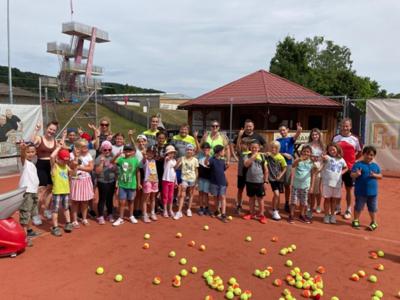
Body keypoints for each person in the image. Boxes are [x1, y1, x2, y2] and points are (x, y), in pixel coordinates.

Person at [31, 121, 62, 224]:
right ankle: (36, 215)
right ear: (46, 128)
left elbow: (60, 150)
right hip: (41, 167)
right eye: (50, 129)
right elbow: (32, 143)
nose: (51, 131)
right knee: (40, 192)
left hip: (52, 167)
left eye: (54, 130)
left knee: (50, 190)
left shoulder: (55, 141)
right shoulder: (40, 138)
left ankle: (47, 210)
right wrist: (36, 129)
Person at [333, 118, 361, 219]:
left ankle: (348, 209)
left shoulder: (355, 139)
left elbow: (359, 151)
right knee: (337, 189)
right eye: (343, 126)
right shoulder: (336, 138)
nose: (345, 128)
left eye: (347, 126)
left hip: (350, 169)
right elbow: (332, 151)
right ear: (340, 126)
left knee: (349, 190)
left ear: (350, 127)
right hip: (337, 168)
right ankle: (337, 207)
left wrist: (352, 162)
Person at [351, 146, 382, 231]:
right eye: (367, 154)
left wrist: (375, 175)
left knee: (373, 208)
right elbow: (352, 175)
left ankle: (374, 222)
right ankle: (356, 220)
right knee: (358, 207)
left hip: (373, 193)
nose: (369, 156)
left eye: (371, 155)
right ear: (363, 154)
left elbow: (380, 176)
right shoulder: (358, 164)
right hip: (360, 192)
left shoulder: (375, 166)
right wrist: (357, 174)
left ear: (374, 156)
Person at [112, 144, 141, 226]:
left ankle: (131, 216)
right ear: (123, 151)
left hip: (132, 184)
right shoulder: (121, 159)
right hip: (122, 185)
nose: (128, 152)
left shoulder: (135, 160)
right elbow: (112, 162)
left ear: (133, 152)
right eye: (126, 150)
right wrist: (116, 156)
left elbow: (138, 172)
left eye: (130, 150)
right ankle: (121, 218)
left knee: (131, 201)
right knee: (122, 202)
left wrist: (139, 183)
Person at [276, 122, 302, 213]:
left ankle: (287, 203)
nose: (282, 132)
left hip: (288, 165)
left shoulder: (290, 139)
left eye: (283, 130)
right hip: (278, 165)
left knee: (287, 185)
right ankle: (277, 204)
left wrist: (299, 130)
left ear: (287, 130)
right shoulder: (278, 140)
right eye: (280, 130)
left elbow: (297, 135)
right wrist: (282, 154)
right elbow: (274, 151)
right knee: (278, 185)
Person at [18, 142, 40, 246]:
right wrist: (22, 149)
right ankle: (24, 237)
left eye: (32, 152)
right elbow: (22, 156)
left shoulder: (32, 163)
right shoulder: (24, 162)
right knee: (25, 214)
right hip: (27, 192)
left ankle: (29, 231)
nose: (30, 154)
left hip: (33, 192)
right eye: (28, 152)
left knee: (30, 213)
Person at [69, 139, 94, 228]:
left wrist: (79, 167)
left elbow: (91, 168)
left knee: (85, 201)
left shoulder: (88, 155)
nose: (86, 149)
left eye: (87, 147)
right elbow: (72, 166)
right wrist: (76, 157)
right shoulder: (71, 155)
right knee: (75, 201)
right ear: (78, 147)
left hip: (86, 180)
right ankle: (75, 220)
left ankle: (84, 218)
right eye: (84, 147)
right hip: (75, 180)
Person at [49, 144, 73, 237]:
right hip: (57, 192)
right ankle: (55, 227)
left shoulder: (66, 166)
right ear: (58, 159)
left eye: (66, 161)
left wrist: (76, 164)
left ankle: (68, 223)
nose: (65, 162)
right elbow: (51, 156)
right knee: (55, 210)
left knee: (66, 208)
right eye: (63, 160)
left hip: (66, 191)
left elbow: (72, 173)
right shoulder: (55, 166)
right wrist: (58, 147)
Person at [320, 143, 348, 224]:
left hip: (337, 183)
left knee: (334, 200)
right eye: (330, 150)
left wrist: (341, 173)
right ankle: (326, 215)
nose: (332, 151)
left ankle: (332, 215)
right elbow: (323, 158)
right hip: (327, 183)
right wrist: (323, 157)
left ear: (337, 150)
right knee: (327, 199)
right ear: (328, 151)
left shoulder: (341, 160)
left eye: (334, 149)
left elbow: (346, 167)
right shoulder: (327, 157)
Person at [288, 144, 315, 224]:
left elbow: (313, 174)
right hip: (296, 185)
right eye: (304, 152)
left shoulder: (311, 162)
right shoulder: (298, 160)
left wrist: (312, 186)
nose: (306, 153)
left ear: (310, 153)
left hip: (305, 186)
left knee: (303, 202)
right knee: (293, 202)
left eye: (308, 152)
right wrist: (299, 159)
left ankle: (302, 215)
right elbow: (293, 165)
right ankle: (291, 215)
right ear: (301, 152)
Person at [242, 141, 268, 224]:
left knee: (260, 199)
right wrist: (254, 156)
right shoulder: (247, 155)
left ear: (259, 148)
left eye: (256, 147)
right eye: (252, 147)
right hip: (249, 180)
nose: (254, 149)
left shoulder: (263, 157)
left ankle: (262, 215)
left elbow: (266, 170)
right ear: (250, 148)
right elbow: (246, 164)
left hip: (259, 181)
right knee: (251, 198)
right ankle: (252, 213)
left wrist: (265, 181)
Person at [174, 144, 199, 220]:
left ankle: (189, 209)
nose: (189, 151)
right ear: (185, 151)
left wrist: (196, 181)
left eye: (191, 150)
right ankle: (179, 211)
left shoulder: (195, 160)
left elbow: (196, 171)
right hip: (184, 179)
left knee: (191, 194)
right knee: (182, 195)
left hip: (192, 179)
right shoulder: (182, 158)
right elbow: (175, 168)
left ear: (193, 151)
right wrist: (178, 163)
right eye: (188, 149)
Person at [94, 141, 117, 224]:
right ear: (102, 150)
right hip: (102, 181)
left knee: (110, 199)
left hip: (111, 181)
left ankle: (109, 214)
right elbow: (97, 171)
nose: (107, 151)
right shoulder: (98, 158)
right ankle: (100, 216)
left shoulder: (112, 157)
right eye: (105, 149)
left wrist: (112, 164)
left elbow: (115, 170)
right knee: (102, 199)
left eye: (109, 149)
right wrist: (101, 163)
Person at [205, 145, 228, 223]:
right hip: (214, 182)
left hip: (222, 182)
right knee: (216, 197)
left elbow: (223, 171)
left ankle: (223, 214)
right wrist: (207, 157)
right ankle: (217, 211)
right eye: (223, 151)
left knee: (222, 197)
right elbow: (206, 163)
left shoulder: (223, 160)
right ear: (219, 152)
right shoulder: (212, 160)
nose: (224, 152)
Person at [265, 141, 287, 221]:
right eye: (272, 147)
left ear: (279, 149)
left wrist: (280, 175)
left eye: (276, 148)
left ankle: (275, 209)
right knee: (276, 194)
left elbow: (285, 167)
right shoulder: (268, 156)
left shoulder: (280, 157)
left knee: (277, 195)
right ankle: (274, 211)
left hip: (279, 179)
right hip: (272, 178)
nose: (274, 149)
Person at [307, 128, 324, 216]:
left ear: (319, 135)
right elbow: (305, 156)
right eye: (313, 135)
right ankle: (309, 205)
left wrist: (320, 168)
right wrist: (311, 158)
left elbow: (324, 159)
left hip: (319, 169)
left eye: (316, 134)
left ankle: (318, 205)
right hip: (309, 168)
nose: (315, 136)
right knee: (310, 188)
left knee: (318, 189)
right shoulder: (308, 145)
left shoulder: (323, 146)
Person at [141, 146, 159, 223]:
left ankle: (152, 213)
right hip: (147, 181)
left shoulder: (154, 160)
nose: (150, 153)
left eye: (152, 152)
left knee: (153, 198)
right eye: (149, 152)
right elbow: (144, 156)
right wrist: (145, 153)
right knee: (145, 199)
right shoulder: (145, 160)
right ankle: (144, 214)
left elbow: (158, 155)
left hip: (155, 180)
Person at [162, 145, 177, 218]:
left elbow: (174, 171)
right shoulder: (166, 159)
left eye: (173, 153)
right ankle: (165, 210)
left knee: (171, 196)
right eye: (170, 152)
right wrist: (168, 156)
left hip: (172, 180)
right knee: (165, 196)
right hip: (165, 180)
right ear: (167, 153)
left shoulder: (174, 161)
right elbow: (167, 158)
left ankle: (170, 209)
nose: (171, 154)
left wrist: (176, 181)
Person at [197, 142, 212, 216]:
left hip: (207, 179)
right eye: (204, 149)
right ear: (202, 149)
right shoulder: (199, 156)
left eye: (207, 149)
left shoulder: (211, 158)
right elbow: (198, 146)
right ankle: (201, 207)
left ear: (210, 149)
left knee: (206, 194)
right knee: (200, 193)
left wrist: (208, 157)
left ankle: (206, 207)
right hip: (200, 179)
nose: (205, 150)